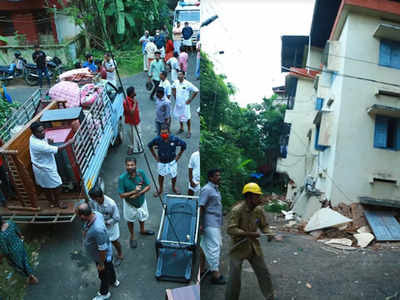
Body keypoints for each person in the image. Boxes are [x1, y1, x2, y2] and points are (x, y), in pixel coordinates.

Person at [225, 183, 275, 300]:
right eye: (257, 196)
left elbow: (264, 226)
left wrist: (269, 233)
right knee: (234, 278)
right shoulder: (237, 211)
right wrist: (249, 234)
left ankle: (270, 297)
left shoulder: (259, 210)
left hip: (253, 247)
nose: (259, 198)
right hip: (237, 248)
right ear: (248, 197)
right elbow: (231, 229)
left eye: (259, 196)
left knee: (264, 273)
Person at [76, 202, 119, 300]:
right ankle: (113, 280)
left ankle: (104, 293)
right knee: (109, 268)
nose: (78, 217)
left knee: (103, 274)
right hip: (105, 254)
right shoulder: (96, 214)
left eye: (78, 215)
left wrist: (101, 264)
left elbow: (102, 249)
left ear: (83, 216)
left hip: (101, 257)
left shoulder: (97, 229)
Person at [29, 122, 74, 209]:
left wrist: (48, 140)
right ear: (34, 133)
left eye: (43, 130)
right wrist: (69, 142)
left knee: (46, 186)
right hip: (44, 169)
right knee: (57, 185)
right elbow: (58, 149)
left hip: (43, 166)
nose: (43, 133)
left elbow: (44, 140)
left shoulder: (33, 137)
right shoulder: (38, 144)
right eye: (40, 132)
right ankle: (57, 202)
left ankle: (52, 202)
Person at [118, 157, 154, 249]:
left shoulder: (141, 173)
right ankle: (132, 236)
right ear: (125, 166)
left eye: (132, 165)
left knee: (142, 216)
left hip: (141, 201)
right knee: (130, 220)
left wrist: (139, 194)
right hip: (129, 204)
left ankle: (142, 230)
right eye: (128, 165)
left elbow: (148, 186)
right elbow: (121, 195)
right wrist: (134, 191)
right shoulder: (122, 178)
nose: (130, 167)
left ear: (135, 165)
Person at [199, 169, 226, 285]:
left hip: (214, 222)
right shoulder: (207, 189)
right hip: (209, 223)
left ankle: (201, 270)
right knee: (215, 247)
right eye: (216, 175)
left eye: (219, 175)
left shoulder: (215, 188)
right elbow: (201, 206)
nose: (219, 177)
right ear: (210, 177)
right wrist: (201, 224)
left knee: (204, 245)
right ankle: (215, 274)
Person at [148, 124, 186, 197]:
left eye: (165, 133)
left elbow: (184, 145)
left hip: (172, 161)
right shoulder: (157, 139)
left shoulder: (174, 139)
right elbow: (150, 145)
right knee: (161, 175)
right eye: (162, 133)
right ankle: (160, 189)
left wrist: (179, 155)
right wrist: (155, 156)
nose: (164, 134)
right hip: (161, 162)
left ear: (169, 132)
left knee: (174, 175)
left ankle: (174, 187)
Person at [89, 186, 123, 266]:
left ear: (99, 197)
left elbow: (117, 218)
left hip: (111, 226)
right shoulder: (93, 201)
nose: (93, 200)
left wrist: (106, 222)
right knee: (103, 242)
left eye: (94, 199)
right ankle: (107, 256)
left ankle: (120, 255)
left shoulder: (111, 204)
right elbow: (92, 210)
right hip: (100, 226)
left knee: (114, 241)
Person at [0, 216, 39, 285]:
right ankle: (31, 275)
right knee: (24, 261)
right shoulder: (10, 223)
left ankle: (31, 277)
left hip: (13, 253)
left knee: (18, 266)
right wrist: (20, 238)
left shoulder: (1, 235)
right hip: (20, 245)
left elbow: (5, 250)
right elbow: (19, 233)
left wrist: (1, 257)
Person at [172, 70, 199, 138]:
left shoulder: (187, 84)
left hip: (185, 104)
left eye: (180, 74)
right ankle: (181, 128)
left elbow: (196, 90)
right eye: (178, 75)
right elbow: (173, 88)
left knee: (187, 117)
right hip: (178, 103)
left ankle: (189, 131)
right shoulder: (176, 82)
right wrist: (174, 96)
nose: (179, 76)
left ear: (184, 75)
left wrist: (190, 99)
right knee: (179, 116)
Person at [123, 86, 143, 155]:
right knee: (136, 135)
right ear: (131, 93)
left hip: (136, 120)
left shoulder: (131, 99)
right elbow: (131, 112)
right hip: (132, 121)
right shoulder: (127, 102)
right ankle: (137, 149)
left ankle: (137, 147)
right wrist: (134, 103)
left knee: (137, 134)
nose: (135, 92)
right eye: (134, 91)